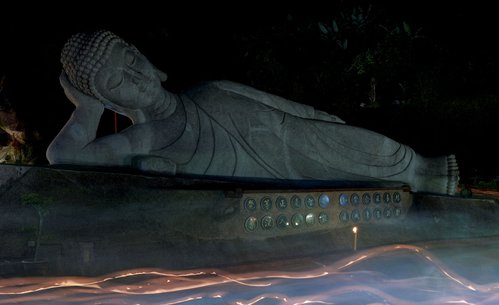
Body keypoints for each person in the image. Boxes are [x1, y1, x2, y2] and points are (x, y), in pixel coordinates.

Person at [47, 30, 460, 195]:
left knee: (351, 144)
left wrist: (317, 115)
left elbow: (272, 102)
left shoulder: (209, 89)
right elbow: (62, 156)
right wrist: (88, 109)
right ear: (114, 101)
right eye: (117, 82)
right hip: (266, 176)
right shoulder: (146, 137)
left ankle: (422, 169)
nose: (136, 77)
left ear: (142, 55)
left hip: (293, 135)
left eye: (130, 59)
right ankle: (422, 180)